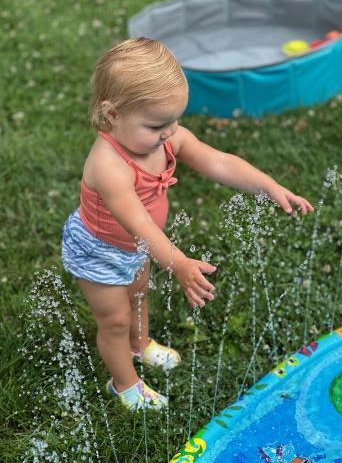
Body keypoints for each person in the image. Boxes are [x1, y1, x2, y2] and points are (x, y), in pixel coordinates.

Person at [62, 37, 313, 412]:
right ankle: (125, 384)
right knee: (114, 317)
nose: (169, 132)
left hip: (138, 248)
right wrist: (178, 262)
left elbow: (219, 162)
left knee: (139, 294)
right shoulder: (108, 166)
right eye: (157, 124)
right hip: (100, 250)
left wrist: (269, 186)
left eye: (175, 120)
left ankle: (140, 344)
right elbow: (140, 225)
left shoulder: (164, 138)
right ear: (112, 114)